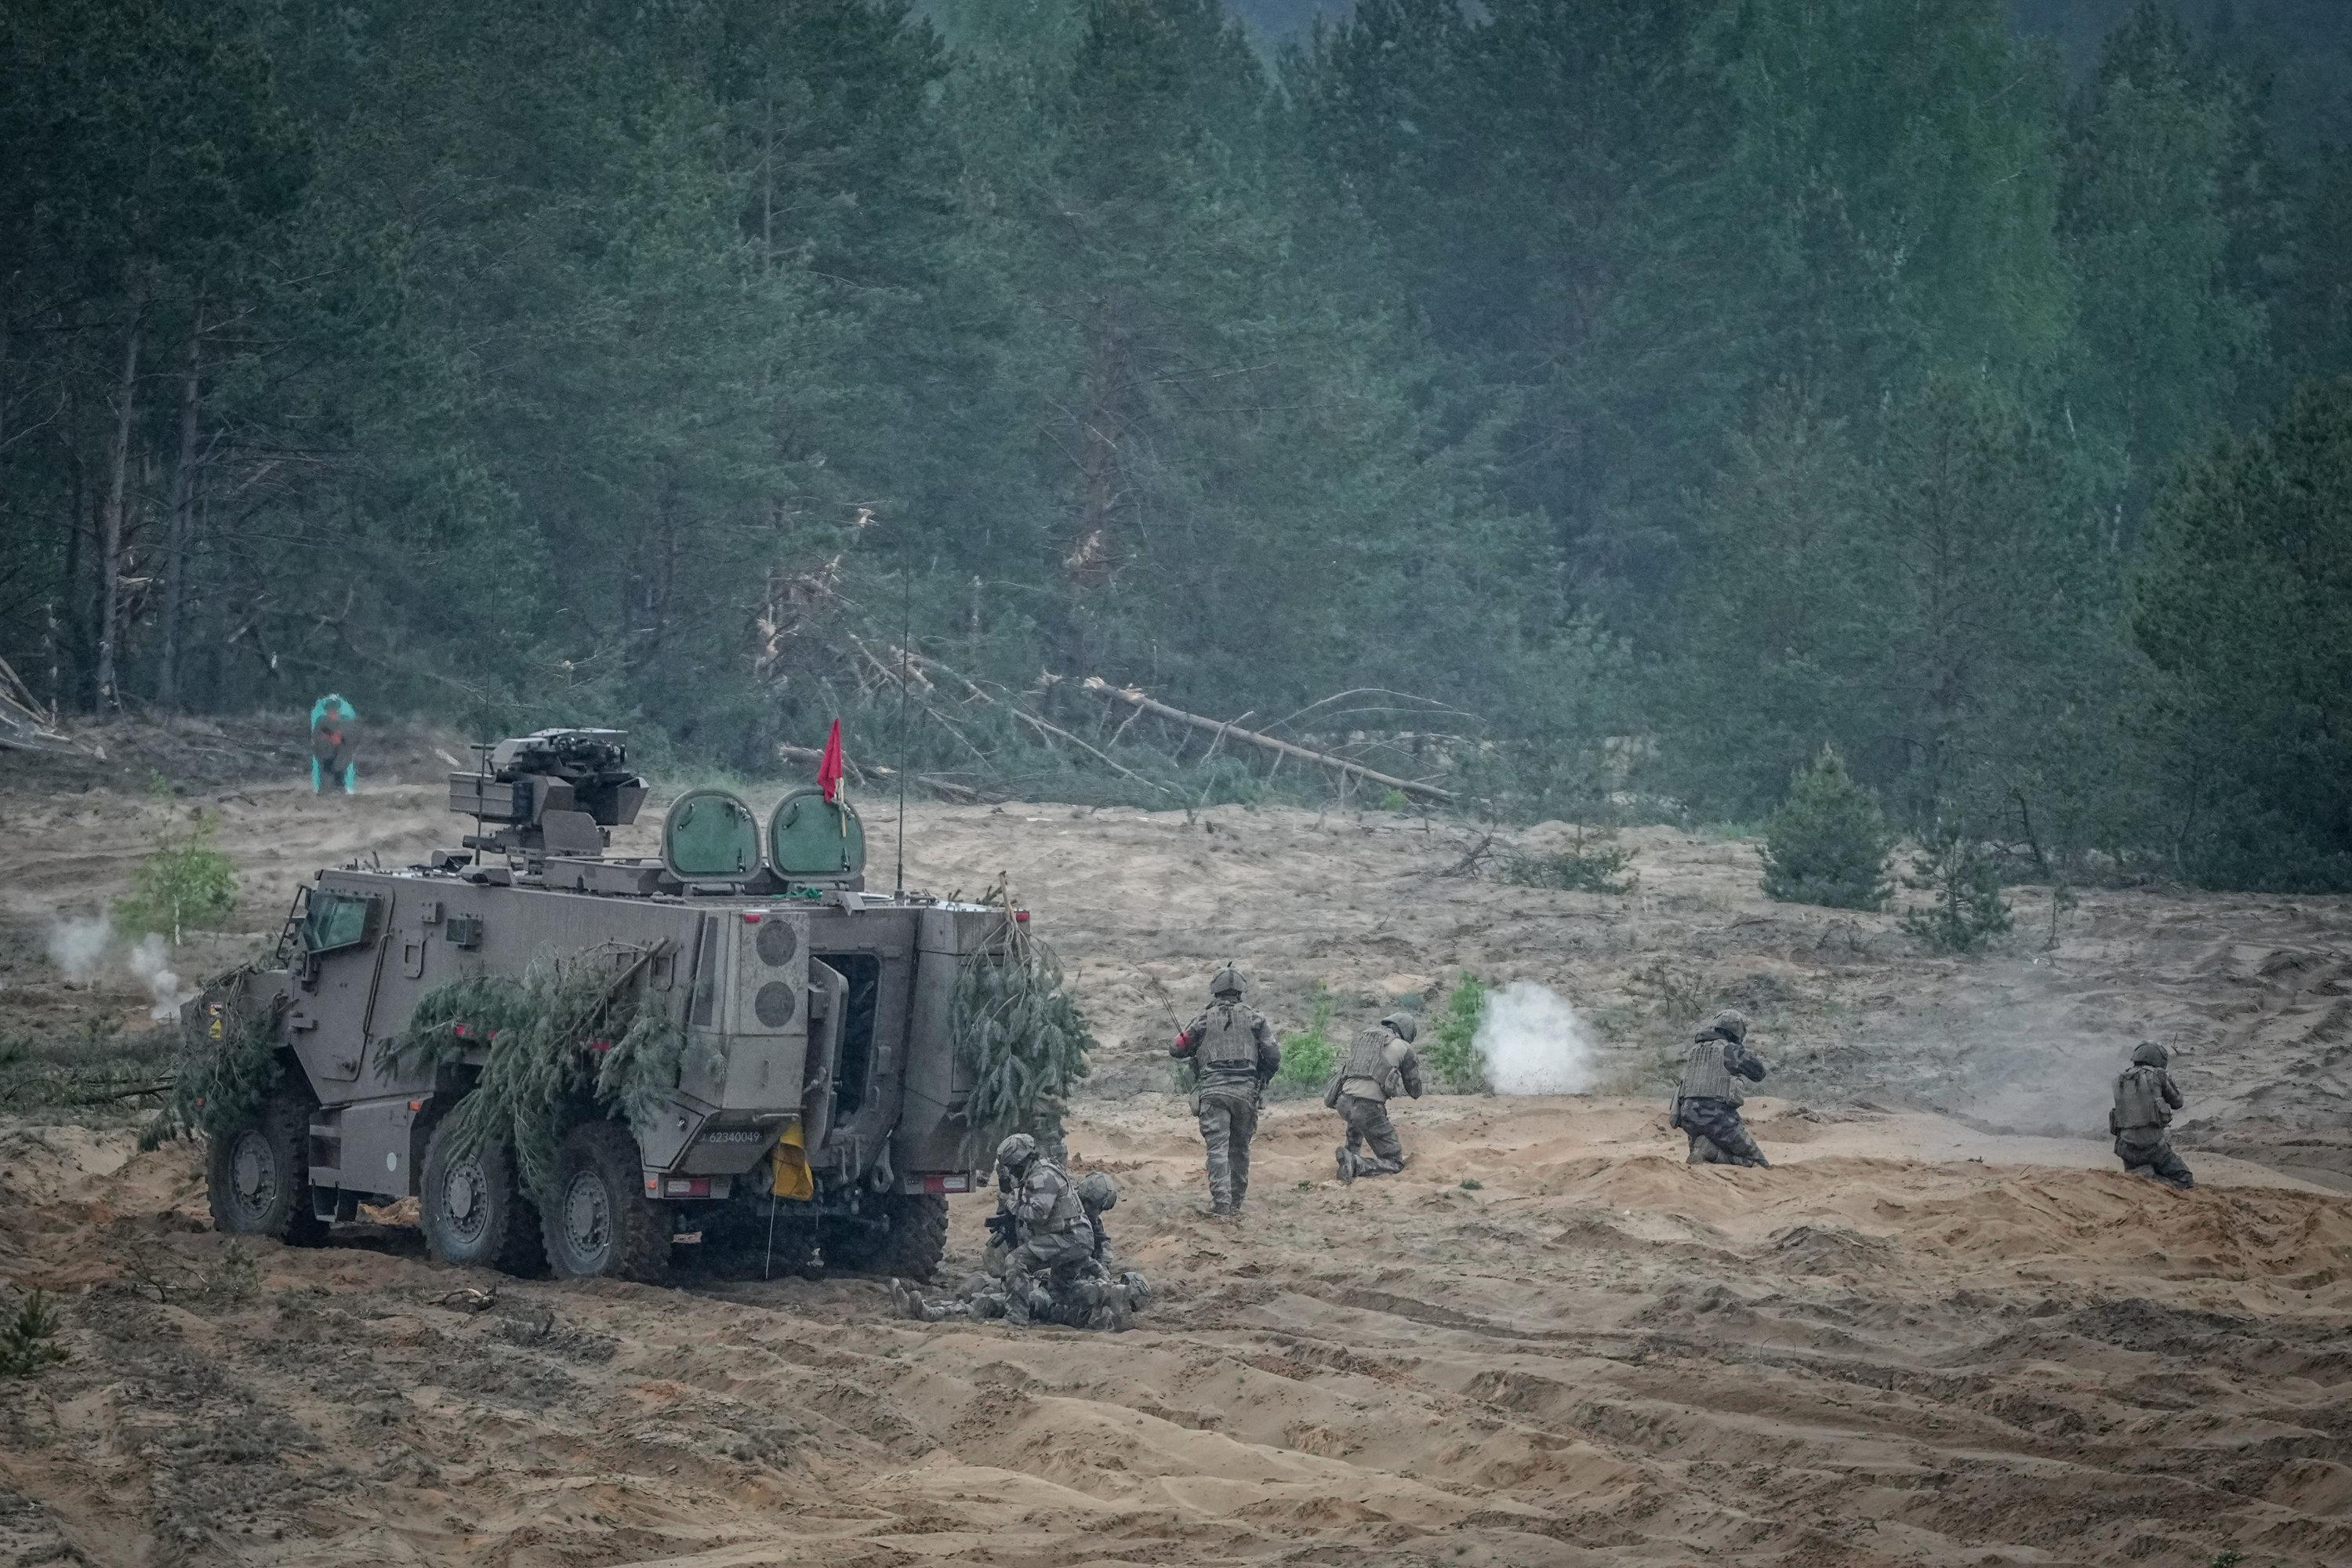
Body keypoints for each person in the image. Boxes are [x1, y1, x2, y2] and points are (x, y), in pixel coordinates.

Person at [1170, 966, 1279, 1218]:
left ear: (1214, 990)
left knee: (1217, 1149)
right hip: (1245, 1093)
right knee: (1240, 1148)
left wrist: (1190, 1048)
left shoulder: (1203, 1020)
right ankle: (1236, 1202)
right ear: (1241, 990)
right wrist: (1261, 1077)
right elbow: (1273, 1057)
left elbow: (1176, 1048)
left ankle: (1221, 1204)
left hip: (1213, 1092)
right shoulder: (1256, 1020)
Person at [990, 1132, 1097, 1323]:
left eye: (1012, 1167)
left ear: (1020, 1162)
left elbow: (1037, 1215)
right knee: (1059, 1295)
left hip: (1069, 1238)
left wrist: (1010, 1204)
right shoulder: (1039, 1171)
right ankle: (1103, 1297)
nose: (1011, 1172)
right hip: (1075, 1238)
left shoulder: (1043, 1176)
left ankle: (1016, 1319)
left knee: (1016, 1260)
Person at [1328, 1012, 1422, 1181]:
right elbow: (1415, 1091)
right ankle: (1356, 1164)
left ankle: (1349, 1156)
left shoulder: (1363, 1038)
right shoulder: (1403, 1046)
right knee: (1394, 1162)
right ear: (1406, 1031)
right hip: (1368, 1107)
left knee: (1356, 1121)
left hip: (1343, 1101)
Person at [1671, 1008, 1769, 1168]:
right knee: (1759, 1163)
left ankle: (1705, 1151)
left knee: (1706, 1161)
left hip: (1688, 1118)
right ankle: (1709, 1151)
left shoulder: (1695, 1050)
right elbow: (1759, 1073)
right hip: (1718, 1118)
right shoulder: (1730, 1050)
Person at [2111, 1040, 2194, 1190]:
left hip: (2126, 1147)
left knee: (2139, 1169)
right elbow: (2178, 1102)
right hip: (2153, 1146)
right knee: (2185, 1180)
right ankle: (2149, 1179)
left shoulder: (2119, 1079)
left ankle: (2140, 1176)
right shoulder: (2157, 1075)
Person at [309, 694, 359, 795]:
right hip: (325, 752)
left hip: (340, 753)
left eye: (335, 710)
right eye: (330, 710)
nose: (333, 713)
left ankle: (340, 788)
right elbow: (316, 737)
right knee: (325, 771)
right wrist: (326, 738)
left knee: (339, 771)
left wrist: (340, 738)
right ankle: (325, 789)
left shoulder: (344, 720)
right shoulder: (321, 721)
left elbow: (350, 737)